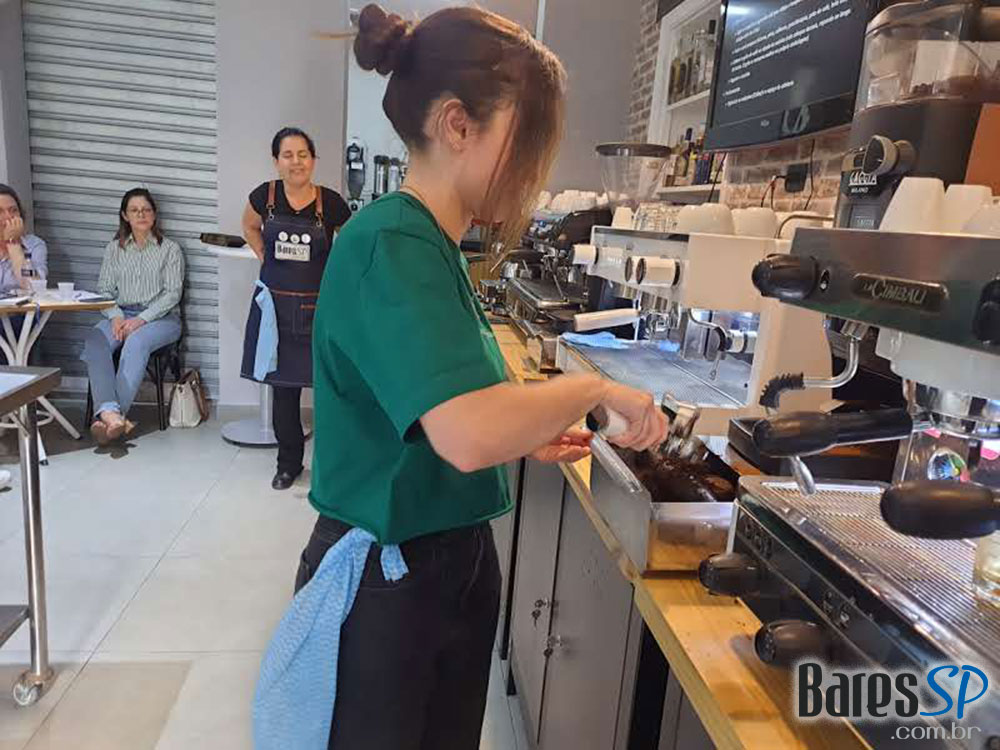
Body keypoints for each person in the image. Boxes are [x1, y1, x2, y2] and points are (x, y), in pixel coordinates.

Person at [286, 6, 669, 749]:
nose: (535, 172)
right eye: (526, 142)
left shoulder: (433, 245)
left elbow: (441, 409)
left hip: (442, 563)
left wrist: (522, 429)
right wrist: (595, 390)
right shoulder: (391, 243)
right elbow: (464, 434)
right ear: (457, 124)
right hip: (388, 582)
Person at [240, 127, 352, 491]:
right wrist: (263, 254)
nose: (296, 162)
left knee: (329, 392)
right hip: (276, 311)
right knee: (283, 392)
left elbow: (352, 241)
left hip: (320, 310)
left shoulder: (331, 203)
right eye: (288, 155)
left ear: (313, 160)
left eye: (303, 154)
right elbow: (248, 225)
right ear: (276, 161)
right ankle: (288, 465)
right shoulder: (265, 196)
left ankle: (332, 468)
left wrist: (339, 274)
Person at [80, 188, 184, 444]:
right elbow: (104, 291)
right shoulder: (113, 249)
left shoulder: (170, 249)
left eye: (146, 210)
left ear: (154, 214)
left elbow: (172, 295)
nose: (141, 215)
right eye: (134, 210)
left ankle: (111, 417)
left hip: (161, 318)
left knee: (136, 342)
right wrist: (116, 316)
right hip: (121, 314)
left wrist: (141, 320)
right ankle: (112, 416)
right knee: (95, 341)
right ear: (125, 216)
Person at [0, 184, 48, 293]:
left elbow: (35, 288)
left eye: (13, 210)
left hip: (21, 304)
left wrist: (13, 243)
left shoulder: (34, 245)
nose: (8, 217)